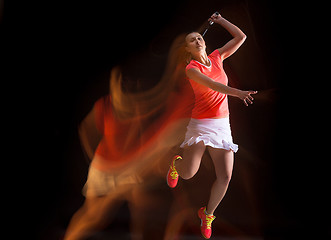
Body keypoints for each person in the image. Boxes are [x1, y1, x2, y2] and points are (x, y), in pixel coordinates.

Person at [166, 12, 257, 239]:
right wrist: (238, 93)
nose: (197, 41)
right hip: (200, 125)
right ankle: (177, 163)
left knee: (225, 176)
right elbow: (213, 86)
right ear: (187, 49)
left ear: (204, 42)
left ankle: (207, 214)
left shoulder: (217, 57)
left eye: (199, 38)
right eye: (192, 40)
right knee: (188, 174)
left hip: (222, 126)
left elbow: (241, 37)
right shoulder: (192, 69)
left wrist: (221, 21)